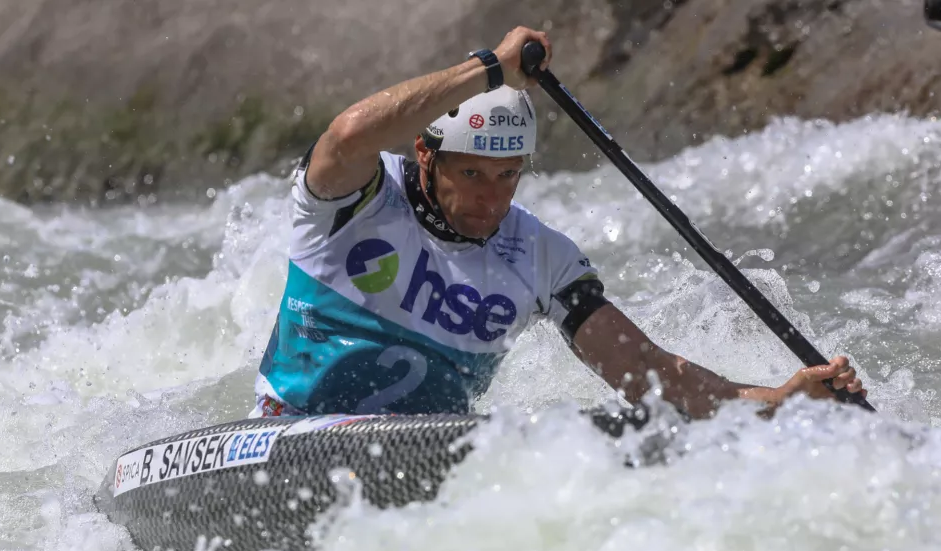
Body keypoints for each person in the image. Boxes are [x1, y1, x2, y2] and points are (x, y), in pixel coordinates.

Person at [250, 26, 867, 420]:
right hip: (291, 430)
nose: (492, 201)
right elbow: (350, 132)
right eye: (471, 175)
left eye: (508, 176)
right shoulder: (354, 198)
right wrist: (493, 67)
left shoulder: (540, 257)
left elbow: (655, 375)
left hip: (422, 457)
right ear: (425, 154)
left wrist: (781, 401)